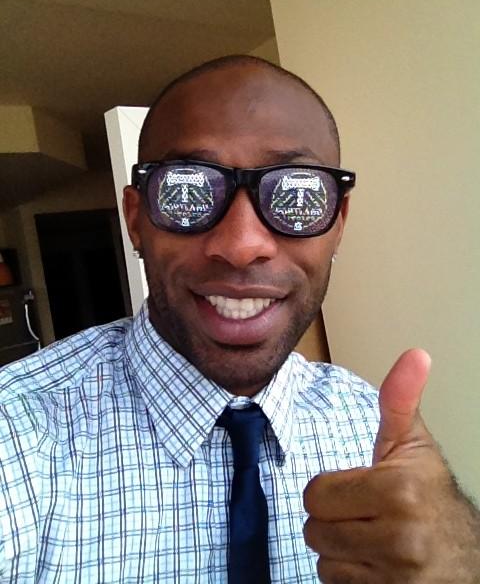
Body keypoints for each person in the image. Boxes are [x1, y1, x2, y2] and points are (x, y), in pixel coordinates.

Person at [0, 56, 478, 583]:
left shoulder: (371, 429)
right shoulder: (17, 435)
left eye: (296, 195)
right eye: (188, 191)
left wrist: (465, 558)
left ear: (337, 225)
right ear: (136, 219)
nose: (242, 245)